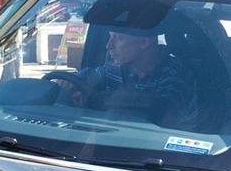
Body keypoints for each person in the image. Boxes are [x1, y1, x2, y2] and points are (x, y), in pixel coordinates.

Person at [61, 23, 200, 128]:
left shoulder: (176, 74)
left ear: (144, 42)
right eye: (110, 37)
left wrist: (97, 99)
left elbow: (161, 112)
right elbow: (86, 77)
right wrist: (67, 83)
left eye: (119, 39)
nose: (108, 45)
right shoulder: (116, 68)